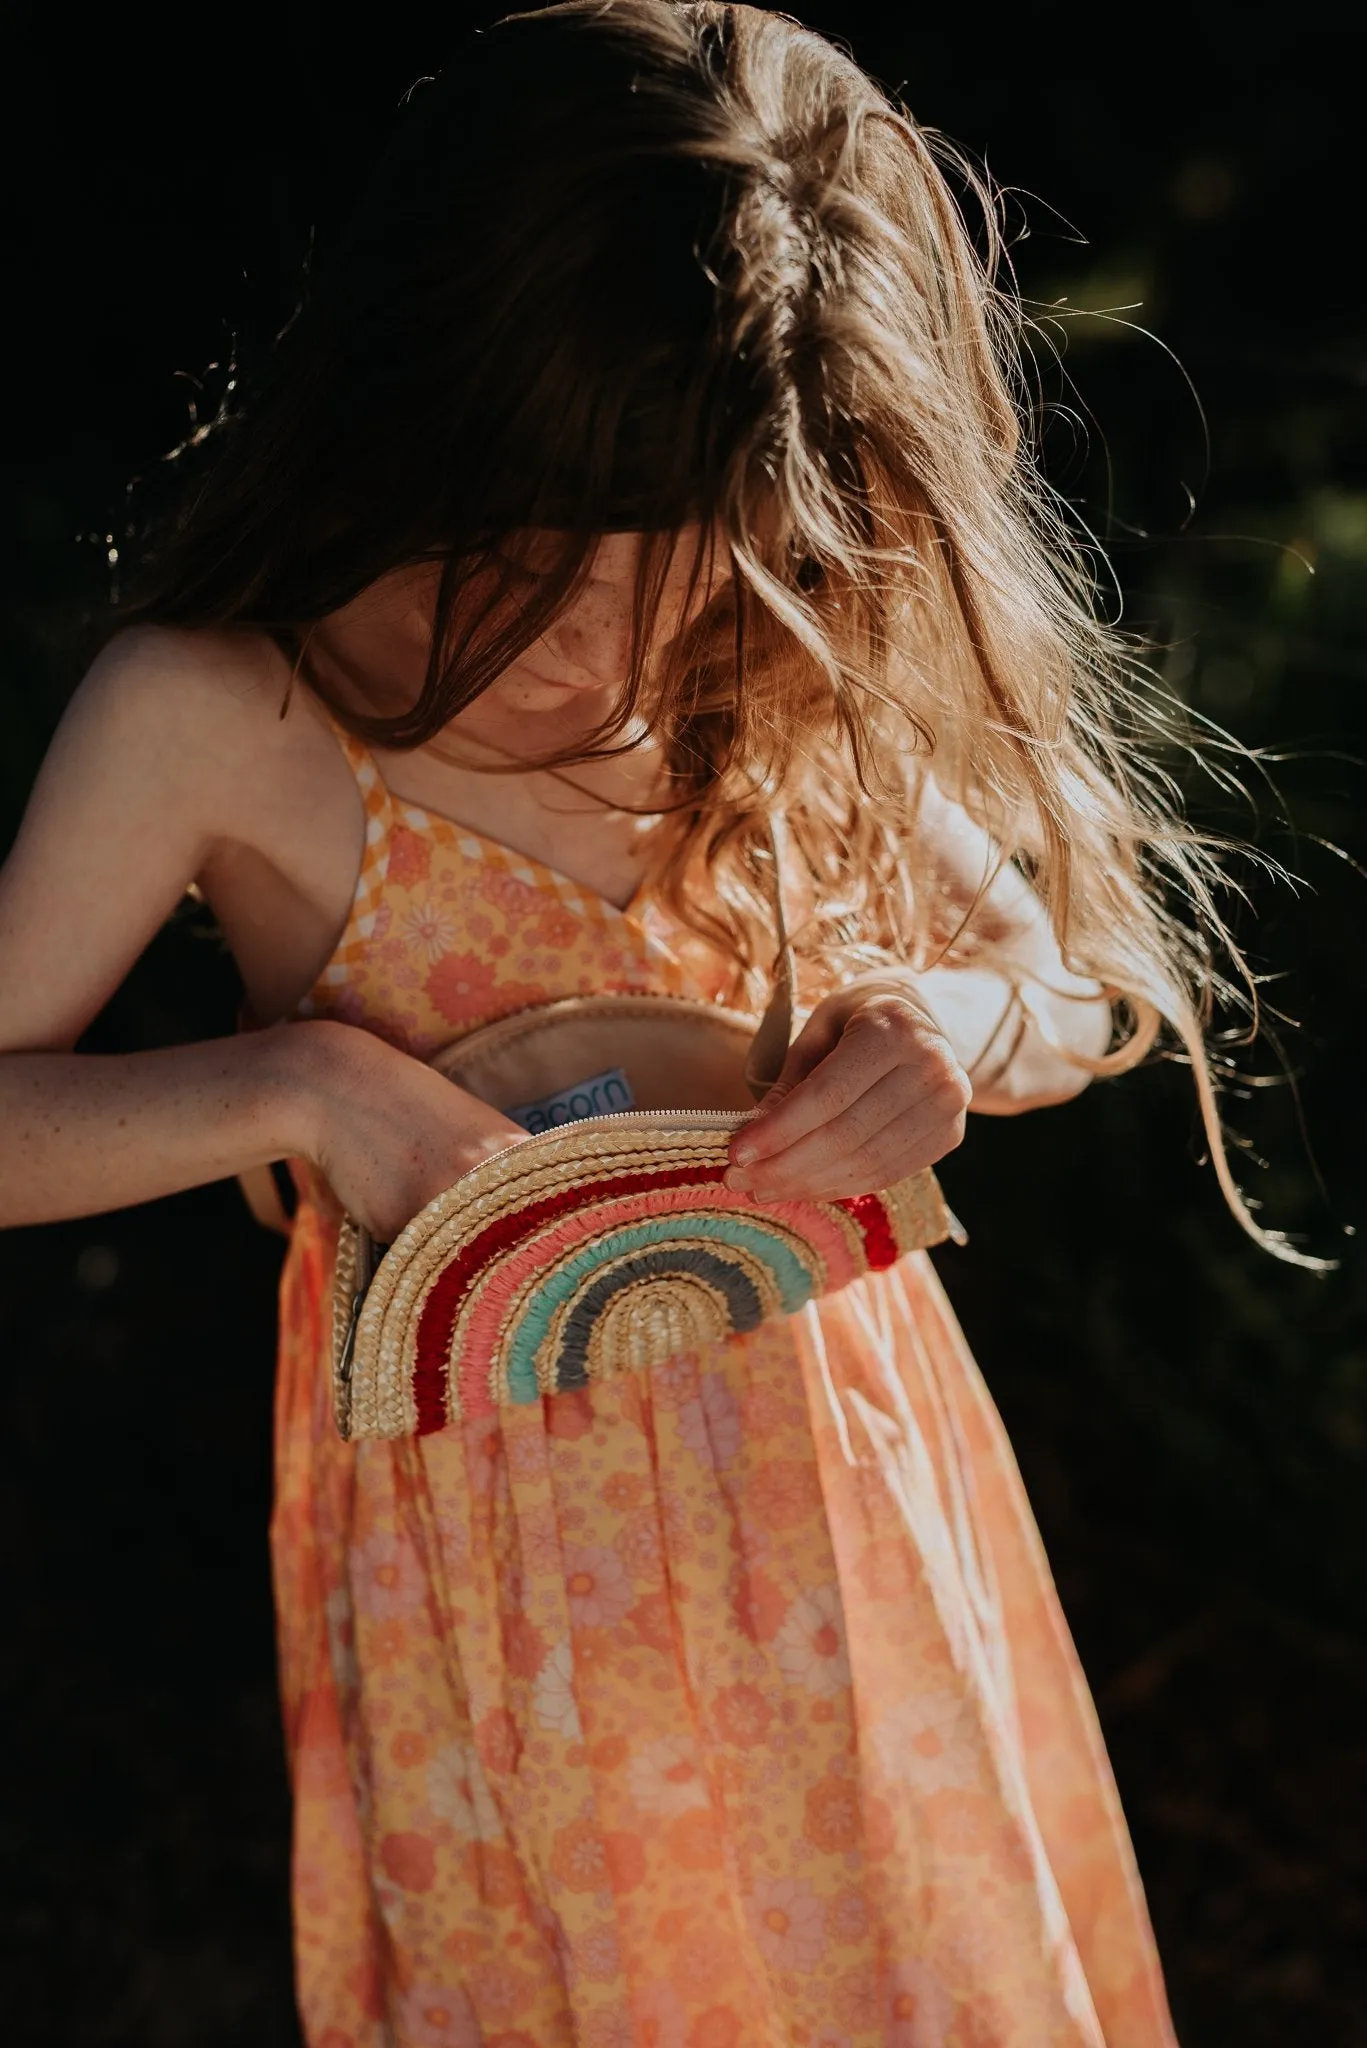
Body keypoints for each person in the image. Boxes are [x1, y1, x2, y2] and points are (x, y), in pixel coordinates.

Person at [4, 3, 1308, 2041]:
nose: (615, 657)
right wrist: (300, 1079)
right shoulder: (216, 717)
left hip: (859, 1559)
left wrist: (951, 1022)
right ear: (417, 421)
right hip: (500, 1615)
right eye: (533, 570)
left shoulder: (773, 660)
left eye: (702, 579)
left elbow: (1095, 977)